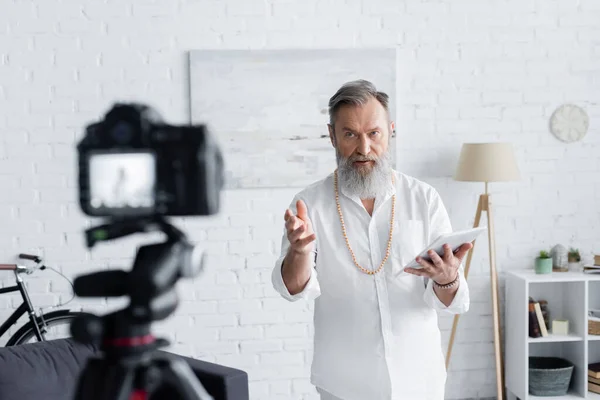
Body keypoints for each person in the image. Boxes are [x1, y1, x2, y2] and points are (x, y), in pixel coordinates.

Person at [271, 79, 472, 400]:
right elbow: (292, 290)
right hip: (344, 383)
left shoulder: (424, 199)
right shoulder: (309, 204)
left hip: (419, 377)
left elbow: (454, 301)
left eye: (373, 133)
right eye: (350, 134)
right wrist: (300, 252)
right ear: (332, 136)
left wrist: (447, 279)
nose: (364, 148)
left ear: (390, 131)